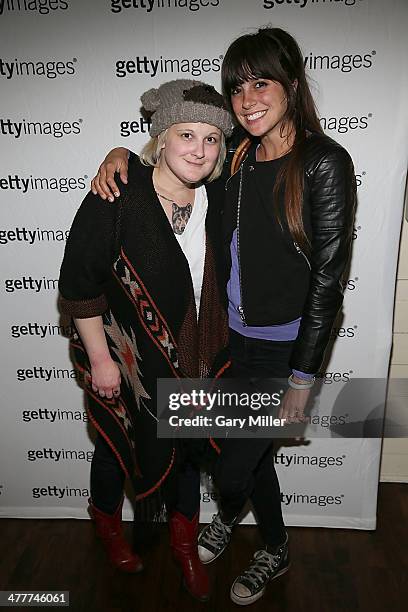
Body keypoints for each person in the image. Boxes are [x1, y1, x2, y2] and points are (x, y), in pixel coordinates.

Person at [90, 26, 356, 606]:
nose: (248, 99)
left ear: (291, 83)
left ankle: (244, 528)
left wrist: (303, 378)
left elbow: (329, 278)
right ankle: (276, 545)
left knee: (234, 472)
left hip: (285, 351)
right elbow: (172, 156)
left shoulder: (323, 162)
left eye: (262, 83)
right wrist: (121, 155)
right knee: (244, 459)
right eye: (237, 88)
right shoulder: (233, 158)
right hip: (228, 342)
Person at [58, 78, 233, 602]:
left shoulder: (219, 198)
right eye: (186, 135)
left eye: (211, 138)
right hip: (125, 359)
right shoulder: (117, 192)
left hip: (194, 357)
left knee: (187, 455)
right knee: (116, 450)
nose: (199, 149)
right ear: (160, 137)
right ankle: (109, 529)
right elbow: (78, 284)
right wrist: (100, 361)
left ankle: (183, 546)